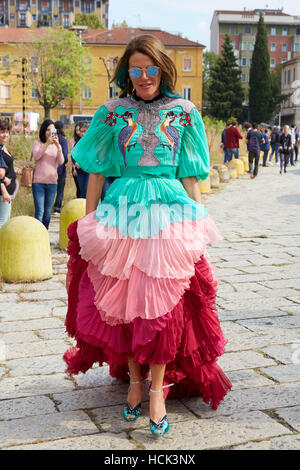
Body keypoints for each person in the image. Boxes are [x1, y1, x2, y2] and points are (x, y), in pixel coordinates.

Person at [63, 34, 232, 438]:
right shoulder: (111, 112)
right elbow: (97, 171)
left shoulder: (185, 111)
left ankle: (156, 389)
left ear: (163, 69)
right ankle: (135, 382)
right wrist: (89, 225)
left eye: (151, 68)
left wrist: (198, 219)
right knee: (123, 303)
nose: (143, 76)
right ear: (127, 72)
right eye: (135, 69)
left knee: (164, 305)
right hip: (122, 209)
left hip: (169, 211)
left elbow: (189, 174)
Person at [31, 119, 64, 229]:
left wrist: (58, 147)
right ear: (43, 131)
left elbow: (61, 161)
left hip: (52, 183)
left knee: (47, 213)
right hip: (38, 183)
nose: (50, 132)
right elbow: (36, 156)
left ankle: (44, 235)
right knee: (39, 212)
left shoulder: (56, 146)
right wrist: (46, 144)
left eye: (52, 130)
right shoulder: (38, 143)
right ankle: (37, 236)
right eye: (48, 130)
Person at [0, 120, 21, 228]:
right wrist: (4, 190)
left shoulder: (2, 146)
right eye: (2, 131)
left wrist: (13, 169)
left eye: (7, 132)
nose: (6, 134)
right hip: (3, 192)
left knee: (5, 220)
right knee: (2, 222)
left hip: (7, 191)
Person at [53, 121, 68, 214]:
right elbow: (65, 156)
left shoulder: (49, 139)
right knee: (60, 190)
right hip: (60, 169)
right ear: (62, 128)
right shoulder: (62, 140)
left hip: (49, 168)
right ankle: (57, 208)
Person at [73, 122, 90, 198]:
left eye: (85, 131)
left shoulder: (91, 142)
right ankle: (83, 208)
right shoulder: (77, 143)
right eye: (81, 131)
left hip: (88, 171)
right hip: (80, 171)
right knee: (82, 190)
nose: (83, 133)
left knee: (87, 189)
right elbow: (73, 155)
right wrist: (75, 162)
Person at [70, 123, 81, 198]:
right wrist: (74, 168)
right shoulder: (73, 141)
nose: (78, 132)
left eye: (79, 130)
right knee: (79, 187)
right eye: (76, 130)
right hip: (76, 167)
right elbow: (72, 155)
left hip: (85, 168)